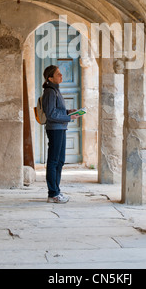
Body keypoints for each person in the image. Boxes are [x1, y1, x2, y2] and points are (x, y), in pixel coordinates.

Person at [41, 65, 79, 203]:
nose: (61, 75)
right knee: (53, 161)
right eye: (58, 74)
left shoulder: (56, 90)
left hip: (60, 128)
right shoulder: (50, 92)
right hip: (55, 129)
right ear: (50, 78)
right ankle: (53, 194)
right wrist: (69, 117)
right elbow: (51, 114)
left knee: (60, 161)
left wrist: (69, 112)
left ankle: (56, 191)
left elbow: (57, 110)